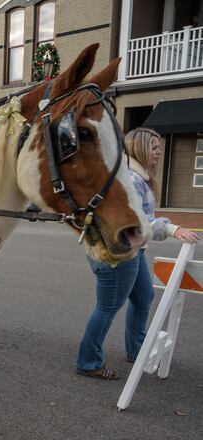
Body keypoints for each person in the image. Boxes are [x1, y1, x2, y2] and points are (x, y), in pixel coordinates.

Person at [76, 127, 199, 380]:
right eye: (155, 148)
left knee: (143, 297)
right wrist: (172, 229)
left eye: (160, 148)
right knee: (107, 308)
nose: (158, 153)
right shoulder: (131, 179)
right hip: (116, 253)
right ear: (141, 148)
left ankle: (136, 350)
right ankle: (88, 362)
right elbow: (136, 223)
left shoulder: (135, 176)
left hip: (131, 251)